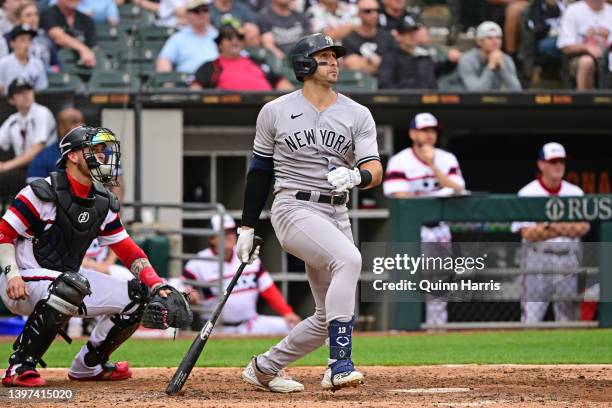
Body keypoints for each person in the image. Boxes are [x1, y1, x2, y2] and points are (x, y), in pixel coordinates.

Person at [239, 33, 382, 392]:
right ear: (304, 64)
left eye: (335, 56)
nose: (334, 62)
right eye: (324, 56)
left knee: (327, 318)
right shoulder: (274, 110)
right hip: (293, 206)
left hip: (336, 212)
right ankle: (339, 364)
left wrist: (356, 175)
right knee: (348, 259)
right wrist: (246, 227)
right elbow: (259, 173)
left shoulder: (357, 113)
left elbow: (375, 169)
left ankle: (263, 367)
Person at [0, 125, 174, 387]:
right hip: (21, 281)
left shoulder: (103, 200)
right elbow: (3, 234)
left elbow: (127, 249)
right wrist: (11, 274)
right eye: (93, 150)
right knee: (71, 284)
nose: (102, 156)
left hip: (66, 283)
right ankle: (19, 366)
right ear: (72, 156)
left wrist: (157, 284)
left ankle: (89, 364)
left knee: (140, 295)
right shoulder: (41, 192)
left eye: (103, 151)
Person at [383, 113, 465, 326]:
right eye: (424, 131)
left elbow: (458, 188)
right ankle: (403, 332)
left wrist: (433, 166)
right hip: (412, 231)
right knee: (406, 283)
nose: (429, 135)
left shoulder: (446, 159)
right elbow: (398, 195)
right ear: (412, 133)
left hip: (439, 229)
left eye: (432, 131)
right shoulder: (400, 160)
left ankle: (436, 334)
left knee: (438, 288)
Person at [183, 215, 300, 335]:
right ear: (212, 238)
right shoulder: (197, 262)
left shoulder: (246, 254)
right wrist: (190, 295)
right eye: (224, 232)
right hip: (215, 328)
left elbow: (268, 288)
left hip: (250, 323)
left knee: (295, 327)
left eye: (231, 231)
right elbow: (184, 290)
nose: (229, 236)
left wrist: (286, 312)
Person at [512, 142, 590, 323]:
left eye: (561, 161)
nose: (559, 166)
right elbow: (528, 233)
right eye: (553, 161)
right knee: (531, 317)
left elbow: (583, 227)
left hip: (568, 259)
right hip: (538, 259)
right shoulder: (527, 193)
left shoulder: (575, 192)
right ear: (541, 165)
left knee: (568, 319)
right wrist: (564, 227)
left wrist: (547, 226)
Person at [190, 24, 293, 90]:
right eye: (229, 38)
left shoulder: (257, 61)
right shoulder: (210, 66)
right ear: (219, 44)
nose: (235, 41)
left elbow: (280, 81)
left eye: (239, 37)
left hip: (266, 112)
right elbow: (195, 89)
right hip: (228, 115)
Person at [0, 79, 56, 177]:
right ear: (11, 100)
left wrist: (6, 165)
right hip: (24, 168)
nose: (26, 95)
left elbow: (38, 148)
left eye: (28, 90)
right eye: (19, 92)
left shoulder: (42, 112)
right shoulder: (12, 120)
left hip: (48, 168)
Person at [557, 0, 612, 90]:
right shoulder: (573, 10)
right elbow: (565, 46)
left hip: (608, 56)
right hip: (580, 56)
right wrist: (587, 48)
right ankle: (584, 101)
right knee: (586, 62)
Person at [156, 0, 219, 74]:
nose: (201, 14)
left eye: (205, 10)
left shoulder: (217, 35)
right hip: (187, 82)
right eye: (196, 11)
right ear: (187, 14)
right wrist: (167, 82)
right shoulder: (178, 38)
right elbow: (164, 61)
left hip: (218, 82)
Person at [457, 21, 522, 91]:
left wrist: (503, 68)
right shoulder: (467, 60)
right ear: (479, 41)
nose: (495, 41)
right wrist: (490, 67)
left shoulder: (506, 59)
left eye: (498, 37)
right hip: (464, 100)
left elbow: (516, 90)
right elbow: (475, 92)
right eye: (489, 38)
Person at [378, 14, 436, 89]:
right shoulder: (390, 58)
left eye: (414, 31)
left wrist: (450, 63)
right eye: (407, 32)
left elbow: (434, 78)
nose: (412, 35)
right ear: (398, 36)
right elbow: (384, 85)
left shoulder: (424, 56)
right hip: (403, 99)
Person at [26, 107, 82, 184]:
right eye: (73, 122)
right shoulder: (45, 156)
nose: (79, 126)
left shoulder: (97, 151)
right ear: (61, 127)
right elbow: (33, 186)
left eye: (81, 122)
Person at [39, 0, 97, 68]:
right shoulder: (48, 13)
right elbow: (57, 36)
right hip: (53, 67)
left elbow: (93, 46)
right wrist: (83, 49)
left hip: (81, 68)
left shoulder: (87, 20)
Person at [342, 0, 393, 76]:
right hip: (360, 84)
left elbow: (393, 65)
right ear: (358, 14)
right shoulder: (348, 39)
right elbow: (351, 65)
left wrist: (365, 61)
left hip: (386, 84)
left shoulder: (387, 37)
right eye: (367, 11)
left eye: (377, 10)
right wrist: (375, 61)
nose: (374, 14)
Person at [12, 0, 60, 72]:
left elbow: (57, 63)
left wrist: (53, 70)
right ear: (18, 19)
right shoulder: (11, 36)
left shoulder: (45, 36)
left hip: (48, 78)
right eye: (28, 15)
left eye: (36, 14)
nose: (33, 19)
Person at [0, 24, 47, 93]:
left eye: (29, 39)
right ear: (12, 43)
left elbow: (40, 89)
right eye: (22, 39)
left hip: (31, 102)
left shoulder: (37, 64)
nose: (26, 44)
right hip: (7, 102)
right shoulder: (3, 64)